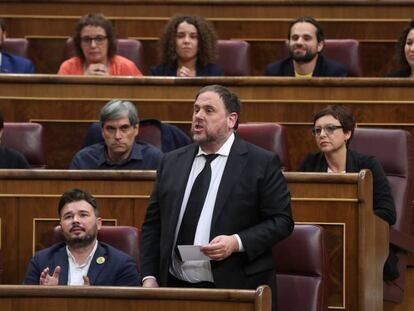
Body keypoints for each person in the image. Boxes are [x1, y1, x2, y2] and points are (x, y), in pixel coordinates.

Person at [140, 84, 293, 310]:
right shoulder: (172, 161)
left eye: (209, 110)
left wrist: (236, 242)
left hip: (231, 289)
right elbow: (153, 225)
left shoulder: (260, 162)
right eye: (196, 109)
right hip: (173, 288)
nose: (198, 116)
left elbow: (282, 221)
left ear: (231, 120)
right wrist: (149, 277)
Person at [298, 104, 398, 281]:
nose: (322, 135)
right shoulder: (309, 164)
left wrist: (352, 222)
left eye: (330, 129)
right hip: (320, 242)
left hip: (362, 244)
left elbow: (387, 212)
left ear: (347, 133)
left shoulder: (367, 165)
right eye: (317, 130)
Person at [24, 188, 140, 286]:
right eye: (68, 216)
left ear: (98, 224)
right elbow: (25, 305)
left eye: (83, 215)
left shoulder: (121, 264)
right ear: (61, 226)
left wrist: (90, 302)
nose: (75, 220)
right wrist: (47, 297)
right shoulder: (41, 261)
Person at [70, 99, 163, 169]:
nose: (117, 136)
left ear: (136, 129)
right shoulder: (84, 160)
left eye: (124, 128)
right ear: (102, 131)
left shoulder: (155, 160)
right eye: (111, 129)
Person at [58, 13, 142, 76]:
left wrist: (110, 84)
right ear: (79, 43)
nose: (93, 45)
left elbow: (142, 96)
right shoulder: (68, 68)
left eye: (99, 39)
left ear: (109, 41)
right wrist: (83, 82)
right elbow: (59, 97)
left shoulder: (126, 67)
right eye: (86, 40)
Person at [265, 16, 347, 77]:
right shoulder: (274, 72)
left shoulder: (335, 73)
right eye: (295, 38)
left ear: (319, 45)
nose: (299, 42)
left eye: (306, 38)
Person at [150, 14, 224, 77]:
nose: (186, 41)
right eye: (180, 36)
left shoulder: (215, 73)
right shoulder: (158, 73)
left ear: (201, 43)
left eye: (193, 36)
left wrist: (193, 83)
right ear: (171, 41)